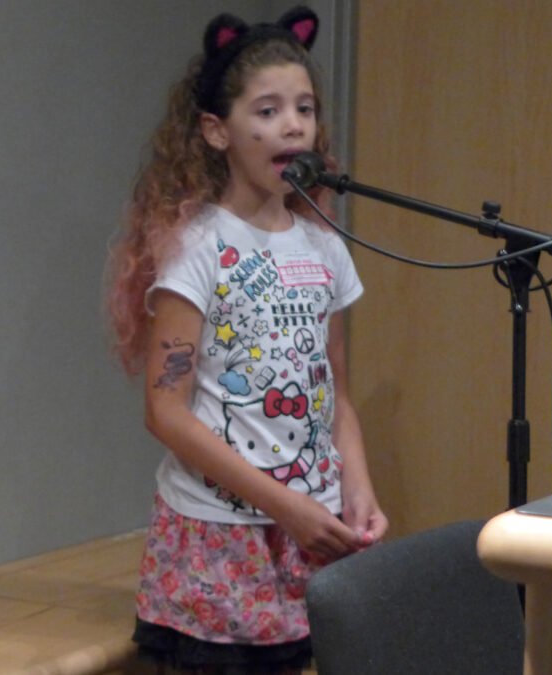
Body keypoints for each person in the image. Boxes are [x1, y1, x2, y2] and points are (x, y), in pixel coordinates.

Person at [105, 7, 388, 674]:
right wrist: (284, 505)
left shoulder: (323, 243)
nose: (292, 124)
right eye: (266, 111)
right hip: (218, 541)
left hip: (303, 535)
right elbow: (164, 409)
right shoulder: (199, 248)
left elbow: (335, 392)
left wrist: (358, 485)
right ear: (215, 130)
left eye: (304, 109)